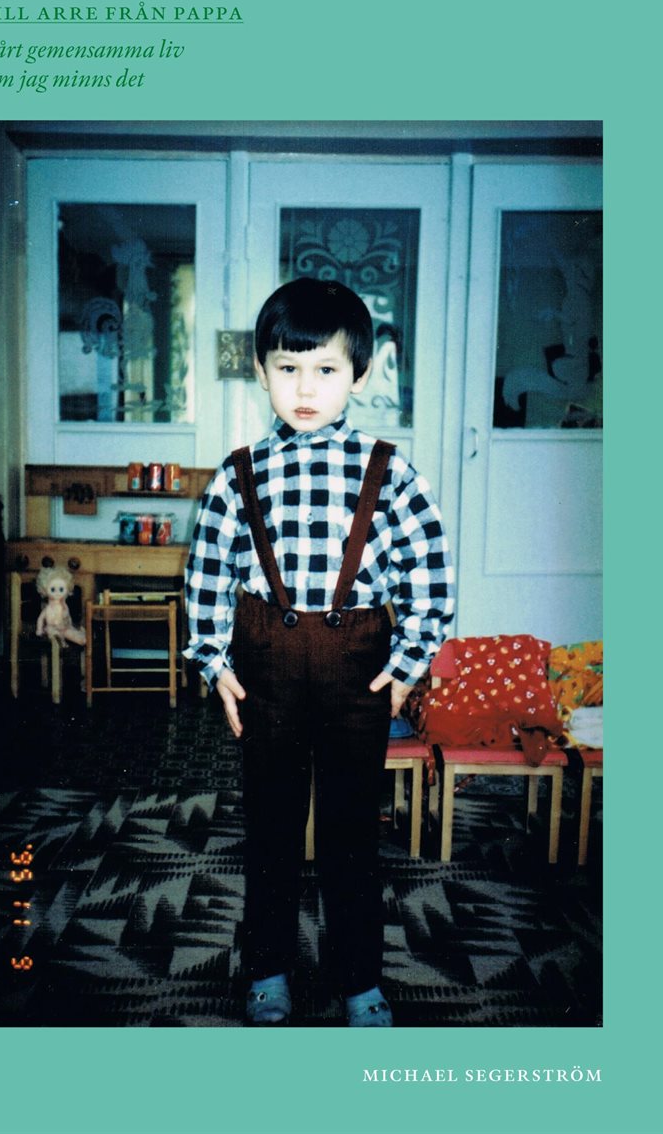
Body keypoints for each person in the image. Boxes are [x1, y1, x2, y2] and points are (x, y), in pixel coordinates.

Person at [184, 277, 454, 1026]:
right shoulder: (237, 475)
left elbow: (430, 577)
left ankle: (360, 978)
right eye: (288, 368)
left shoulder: (390, 472)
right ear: (261, 371)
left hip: (356, 672)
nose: (306, 389)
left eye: (326, 369)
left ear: (358, 375)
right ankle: (267, 967)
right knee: (269, 828)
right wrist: (215, 664)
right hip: (265, 667)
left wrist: (407, 666)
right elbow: (207, 576)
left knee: (350, 834)